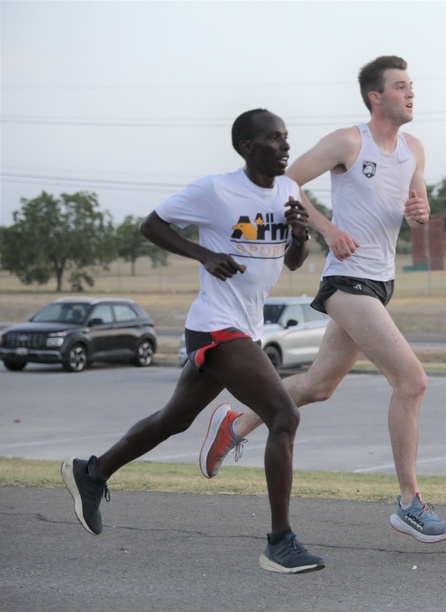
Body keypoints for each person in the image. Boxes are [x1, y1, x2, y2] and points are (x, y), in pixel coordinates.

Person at [199, 56, 446, 544]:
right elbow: (285, 184)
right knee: (412, 381)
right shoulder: (348, 142)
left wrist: (421, 212)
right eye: (400, 87)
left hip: (381, 282)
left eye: (412, 86)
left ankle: (236, 423)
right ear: (375, 97)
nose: (411, 94)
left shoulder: (414, 150)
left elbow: (417, 210)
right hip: (347, 282)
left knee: (319, 386)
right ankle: (409, 504)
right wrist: (327, 228)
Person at [61, 109, 325, 574]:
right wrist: (205, 254)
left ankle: (93, 471)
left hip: (245, 327)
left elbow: (295, 263)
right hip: (216, 325)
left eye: (287, 137)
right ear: (248, 147)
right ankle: (280, 542)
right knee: (283, 415)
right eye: (274, 139)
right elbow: (152, 224)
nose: (286, 146)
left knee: (174, 420)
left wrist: (301, 234)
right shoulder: (216, 190)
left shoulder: (288, 190)